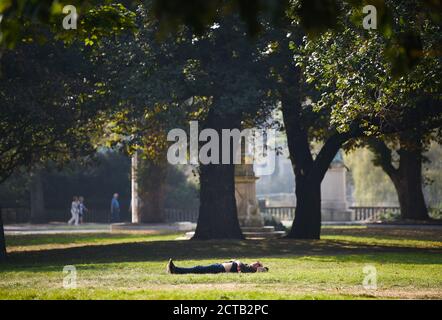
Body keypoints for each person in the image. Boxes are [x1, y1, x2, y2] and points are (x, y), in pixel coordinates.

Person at [166, 259, 269, 274]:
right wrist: (237, 261)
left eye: (257, 264)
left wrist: (262, 269)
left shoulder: (249, 270)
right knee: (199, 268)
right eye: (256, 262)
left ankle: (175, 269)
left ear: (258, 268)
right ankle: (176, 269)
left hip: (221, 268)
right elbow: (237, 262)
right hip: (220, 265)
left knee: (198, 269)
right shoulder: (246, 266)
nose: (255, 263)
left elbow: (264, 270)